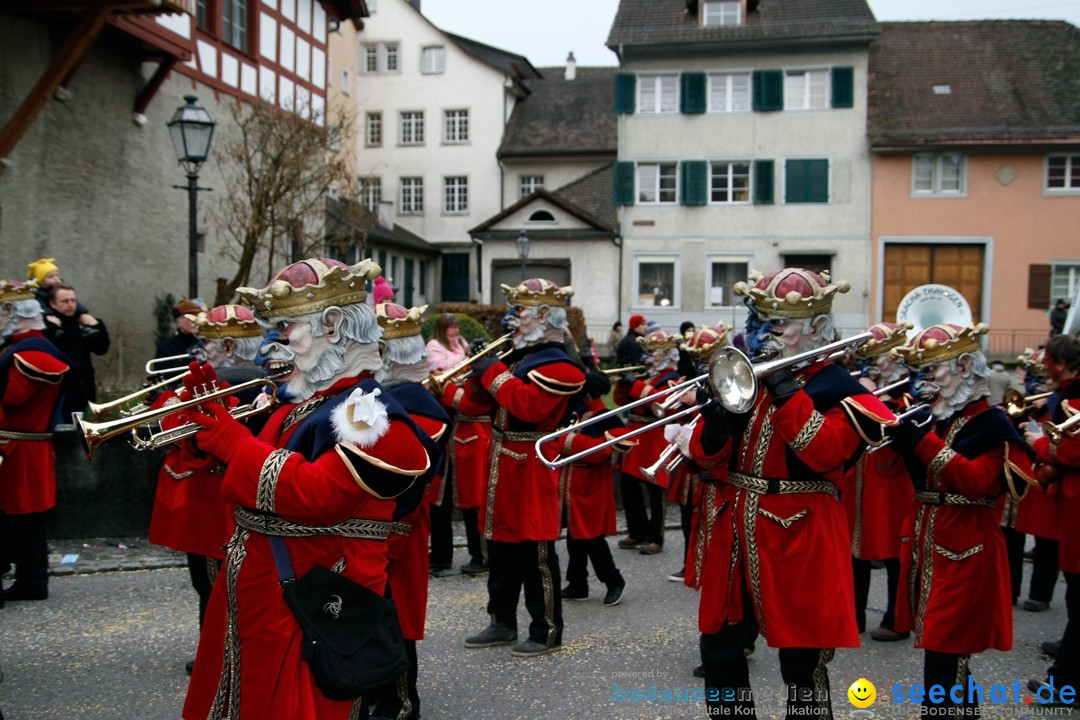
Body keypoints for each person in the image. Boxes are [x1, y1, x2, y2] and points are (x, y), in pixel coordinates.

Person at [180, 258, 437, 720]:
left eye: (285, 327)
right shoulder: (304, 402)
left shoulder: (367, 410)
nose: (271, 344)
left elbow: (320, 495)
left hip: (312, 598)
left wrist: (232, 441)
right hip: (266, 594)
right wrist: (210, 418)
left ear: (333, 326)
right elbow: (254, 473)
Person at [686, 268, 895, 719]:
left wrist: (784, 388)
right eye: (761, 319)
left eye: (781, 324)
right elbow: (708, 459)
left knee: (802, 664)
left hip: (801, 534)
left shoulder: (841, 388)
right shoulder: (746, 375)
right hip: (736, 529)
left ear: (817, 328)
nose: (766, 332)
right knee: (720, 650)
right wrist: (716, 420)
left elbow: (824, 453)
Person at [889, 322, 1035, 716]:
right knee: (944, 652)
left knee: (946, 651)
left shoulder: (992, 424)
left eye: (932, 371)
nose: (925, 382)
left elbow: (975, 482)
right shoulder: (939, 417)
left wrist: (919, 442)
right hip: (928, 542)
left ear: (965, 366)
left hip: (966, 548)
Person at [460, 278, 585, 658]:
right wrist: (478, 376)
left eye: (520, 312)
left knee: (536, 555)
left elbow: (529, 407)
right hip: (502, 462)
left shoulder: (562, 366)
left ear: (545, 316)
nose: (511, 318)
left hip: (533, 464)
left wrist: (493, 373)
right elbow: (470, 408)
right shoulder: (517, 360)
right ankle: (501, 621)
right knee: (500, 550)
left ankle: (546, 629)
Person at [146, 304, 265, 675]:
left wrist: (171, 405)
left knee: (216, 585)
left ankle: (220, 657)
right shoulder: (235, 381)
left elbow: (200, 440)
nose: (200, 350)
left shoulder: (242, 385)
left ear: (229, 345)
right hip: (211, 500)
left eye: (208, 343)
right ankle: (216, 653)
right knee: (211, 583)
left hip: (220, 502)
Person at [370, 301, 449, 720]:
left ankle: (401, 704)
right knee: (374, 616)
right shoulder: (386, 395)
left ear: (386, 352)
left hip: (397, 525)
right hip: (378, 523)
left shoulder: (417, 402)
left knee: (394, 617)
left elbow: (406, 473)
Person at [842, 321, 914, 641]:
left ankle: (897, 618)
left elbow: (905, 428)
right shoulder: (862, 382)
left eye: (878, 355)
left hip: (891, 478)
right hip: (858, 473)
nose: (872, 362)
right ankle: (853, 614)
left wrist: (879, 402)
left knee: (893, 550)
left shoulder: (908, 389)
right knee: (853, 547)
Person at [0, 280, 70, 602]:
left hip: (18, 448)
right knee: (25, 522)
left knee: (26, 521)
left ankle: (32, 581)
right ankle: (30, 580)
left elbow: (13, 397)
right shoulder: (24, 347)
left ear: (12, 312)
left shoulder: (32, 352)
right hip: (23, 447)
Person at [1025, 334, 1080, 699]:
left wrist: (1036, 442)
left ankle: (1066, 684)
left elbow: (1072, 451)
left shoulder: (1074, 398)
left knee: (1078, 593)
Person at [554, 370, 629, 606]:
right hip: (571, 481)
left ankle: (613, 580)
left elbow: (606, 449)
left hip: (591, 484)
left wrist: (568, 442)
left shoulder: (606, 416)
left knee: (592, 538)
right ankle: (577, 583)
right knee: (575, 536)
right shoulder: (577, 413)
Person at [614, 329, 682, 556]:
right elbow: (620, 401)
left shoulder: (671, 377)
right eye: (648, 351)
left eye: (653, 352)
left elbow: (663, 403)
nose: (648, 356)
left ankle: (656, 537)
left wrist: (636, 385)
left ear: (665, 353)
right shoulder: (646, 375)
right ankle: (637, 531)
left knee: (655, 489)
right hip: (634, 433)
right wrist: (623, 385)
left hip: (653, 435)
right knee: (628, 485)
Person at [424, 313, 473, 572]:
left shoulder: (459, 345)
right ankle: (441, 554)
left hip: (464, 428)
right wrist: (465, 356)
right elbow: (442, 369)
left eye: (457, 327)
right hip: (444, 421)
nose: (455, 331)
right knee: (438, 496)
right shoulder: (434, 346)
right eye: (451, 328)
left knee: (460, 495)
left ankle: (450, 554)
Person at [43, 284, 110, 420]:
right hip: (58, 393)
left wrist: (97, 326)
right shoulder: (48, 326)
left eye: (73, 301)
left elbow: (101, 349)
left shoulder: (81, 324)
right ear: (53, 304)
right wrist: (50, 328)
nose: (70, 305)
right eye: (65, 301)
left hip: (82, 392)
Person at [154, 298, 203, 371]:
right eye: (189, 318)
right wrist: (185, 360)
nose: (194, 321)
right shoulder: (166, 346)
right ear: (178, 323)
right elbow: (161, 373)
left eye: (196, 317)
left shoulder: (204, 341)